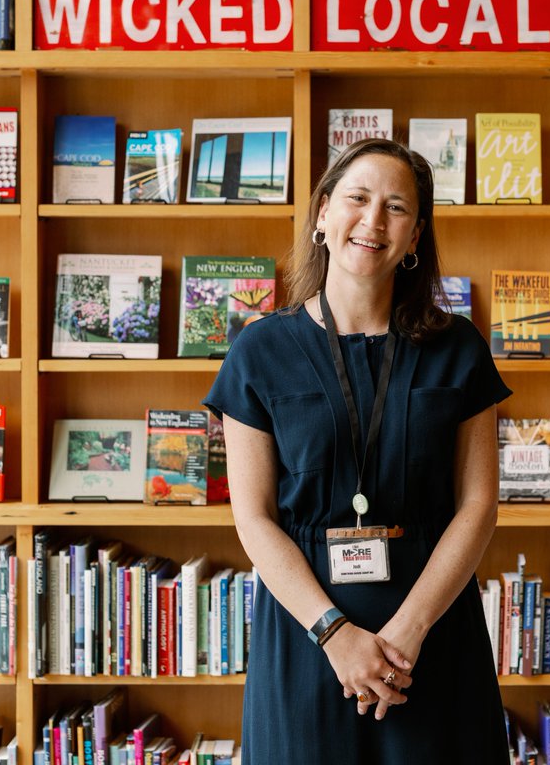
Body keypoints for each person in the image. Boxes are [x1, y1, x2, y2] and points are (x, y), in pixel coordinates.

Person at [204, 137, 511, 762]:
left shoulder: (460, 348)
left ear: (416, 234)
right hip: (306, 641)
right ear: (322, 213)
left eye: (396, 207)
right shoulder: (258, 351)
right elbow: (253, 517)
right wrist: (335, 633)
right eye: (358, 199)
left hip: (431, 640)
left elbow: (478, 507)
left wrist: (409, 630)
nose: (373, 221)